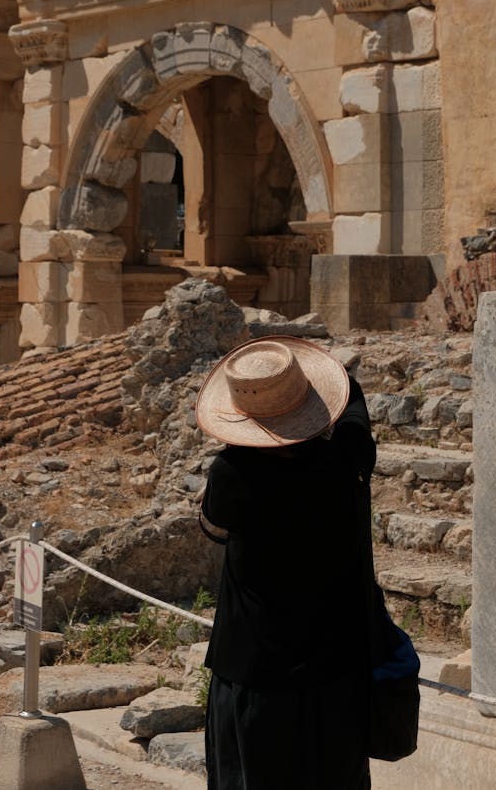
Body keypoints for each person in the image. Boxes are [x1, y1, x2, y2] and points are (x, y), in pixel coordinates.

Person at [196, 335, 380, 790]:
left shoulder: (231, 475)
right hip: (335, 667)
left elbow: (212, 524)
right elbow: (355, 410)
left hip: (254, 674)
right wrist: (327, 382)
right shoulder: (346, 460)